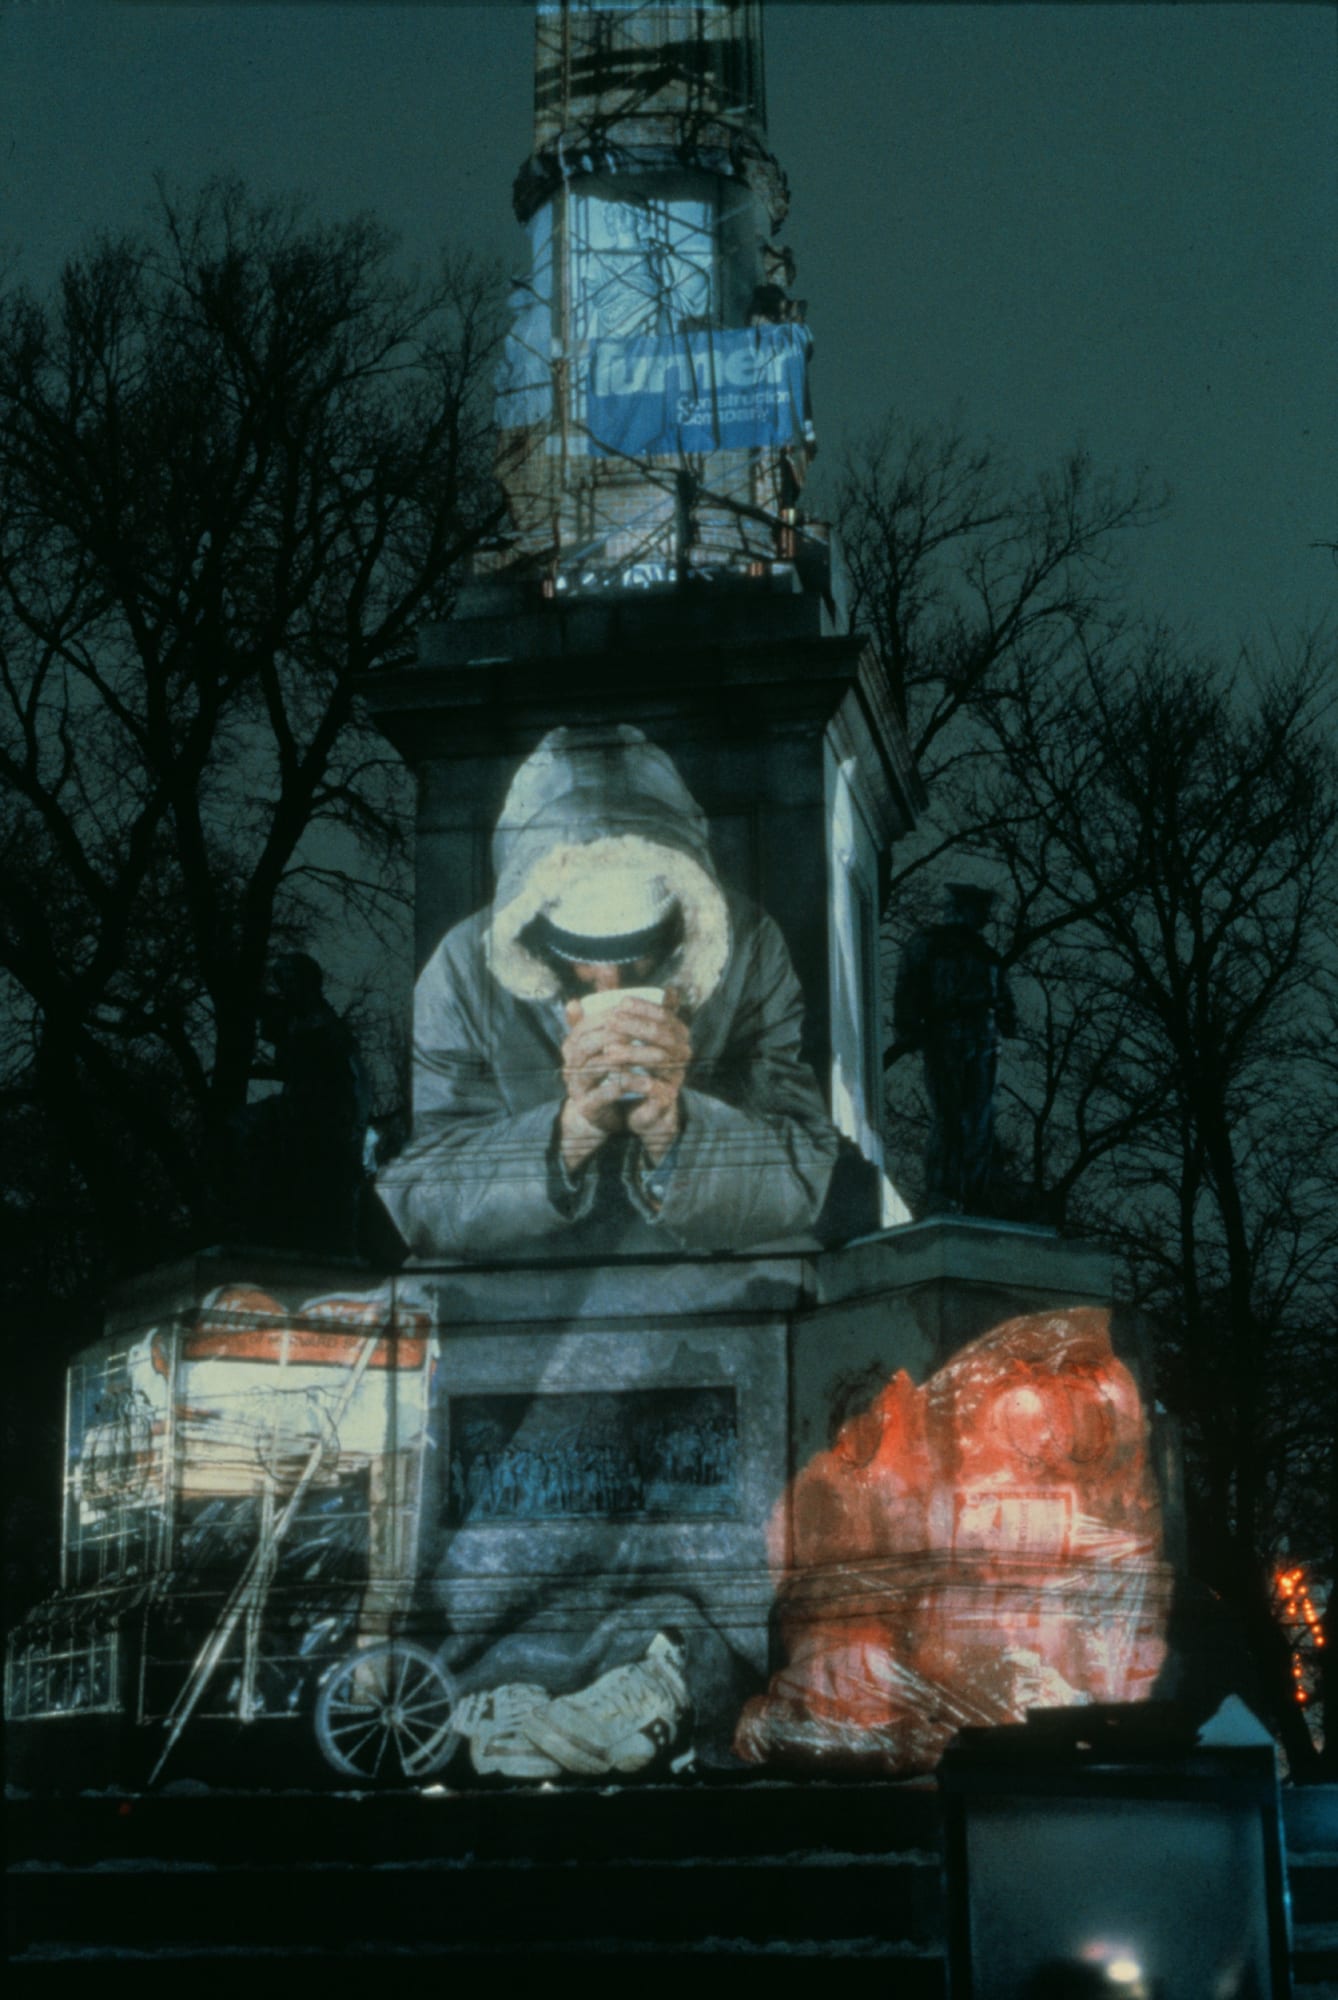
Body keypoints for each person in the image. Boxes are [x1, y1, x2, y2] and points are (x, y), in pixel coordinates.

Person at [376, 724, 840, 1259]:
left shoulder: (747, 948)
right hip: (523, 1284)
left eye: (637, 956)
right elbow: (422, 1199)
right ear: (535, 931)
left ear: (679, 922)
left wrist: (674, 1129)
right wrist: (571, 1131)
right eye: (582, 958)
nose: (611, 984)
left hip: (705, 1274)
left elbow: (801, 1177)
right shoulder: (463, 969)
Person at [892, 882, 1018, 1214]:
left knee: (980, 1118)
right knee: (949, 1117)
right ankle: (944, 1191)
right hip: (946, 1035)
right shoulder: (928, 944)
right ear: (961, 909)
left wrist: (1004, 1018)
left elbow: (1004, 1001)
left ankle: (976, 1193)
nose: (986, 918)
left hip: (985, 1040)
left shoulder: (985, 953)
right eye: (981, 910)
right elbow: (907, 988)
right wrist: (908, 1028)